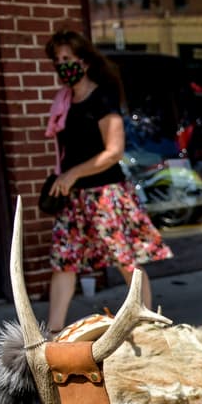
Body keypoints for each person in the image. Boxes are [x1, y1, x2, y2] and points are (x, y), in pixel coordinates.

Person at [43, 29, 168, 334]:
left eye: (67, 59)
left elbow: (113, 151)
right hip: (74, 196)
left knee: (125, 260)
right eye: (57, 60)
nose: (62, 65)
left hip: (105, 195)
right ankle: (53, 332)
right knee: (64, 262)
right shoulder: (64, 103)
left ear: (84, 62)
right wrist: (65, 177)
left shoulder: (102, 99)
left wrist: (73, 173)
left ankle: (144, 321)